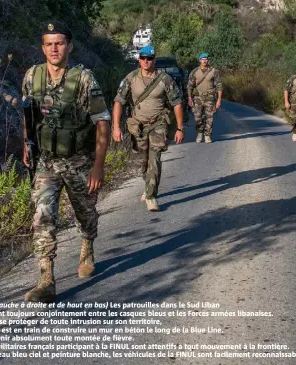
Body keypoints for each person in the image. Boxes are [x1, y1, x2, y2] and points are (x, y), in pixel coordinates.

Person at [22, 21, 111, 302]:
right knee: (42, 217)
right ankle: (46, 279)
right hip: (46, 162)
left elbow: (102, 123)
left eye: (59, 43)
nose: (54, 48)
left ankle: (87, 246)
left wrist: (98, 165)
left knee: (85, 214)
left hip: (79, 161)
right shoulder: (32, 76)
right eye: (49, 43)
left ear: (69, 46)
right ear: (42, 47)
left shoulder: (84, 80)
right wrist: (27, 144)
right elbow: (29, 116)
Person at [112, 46, 184, 211]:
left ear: (154, 60)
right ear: (139, 59)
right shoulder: (131, 78)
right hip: (138, 126)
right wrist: (116, 127)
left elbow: (177, 103)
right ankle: (148, 185)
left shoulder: (164, 79)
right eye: (143, 58)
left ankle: (151, 196)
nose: (146, 61)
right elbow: (118, 102)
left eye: (150, 58)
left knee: (155, 157)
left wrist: (180, 128)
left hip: (158, 123)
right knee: (144, 160)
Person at [187, 53, 222, 143]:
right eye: (202, 59)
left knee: (209, 118)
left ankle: (207, 135)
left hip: (209, 97)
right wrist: (189, 98)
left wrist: (219, 99)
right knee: (197, 117)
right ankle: (199, 132)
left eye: (206, 59)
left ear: (208, 60)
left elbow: (219, 85)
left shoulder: (214, 71)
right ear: (199, 60)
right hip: (197, 97)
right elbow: (189, 86)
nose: (204, 61)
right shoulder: (194, 72)